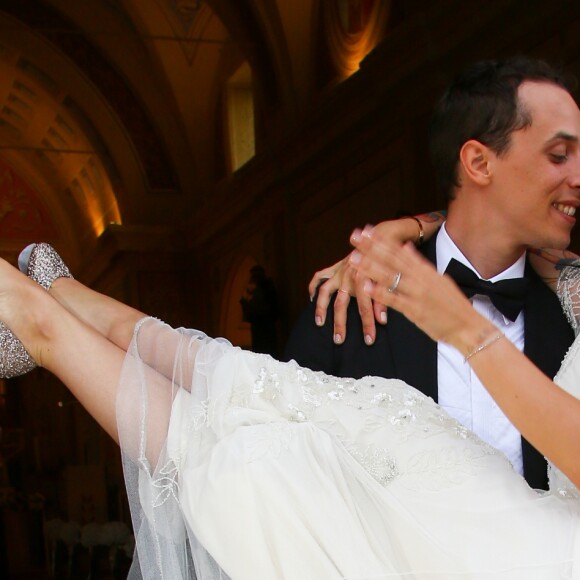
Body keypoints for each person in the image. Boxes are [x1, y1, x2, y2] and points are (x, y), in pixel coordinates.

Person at [0, 236, 578, 578]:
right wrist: (412, 228)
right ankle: (68, 301)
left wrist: (463, 328)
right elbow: (511, 218)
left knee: (260, 475)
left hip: (513, 557)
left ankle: (45, 328)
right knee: (253, 384)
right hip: (484, 493)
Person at [284, 56, 580, 490]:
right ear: (479, 163)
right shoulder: (352, 298)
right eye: (559, 155)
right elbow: (287, 477)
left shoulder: (570, 313)